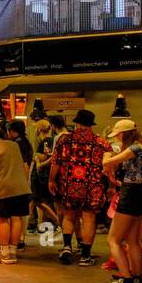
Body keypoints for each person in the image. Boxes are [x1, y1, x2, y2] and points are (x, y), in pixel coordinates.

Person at [50, 109, 111, 266]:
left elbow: (55, 162)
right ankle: (85, 256)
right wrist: (110, 185)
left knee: (69, 215)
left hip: (68, 183)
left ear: (76, 123)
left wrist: (51, 180)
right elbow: (109, 166)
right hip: (93, 186)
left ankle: (67, 247)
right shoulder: (102, 143)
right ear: (91, 124)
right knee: (89, 218)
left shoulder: (64, 140)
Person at [102, 119, 142, 283]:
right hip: (139, 194)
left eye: (117, 135)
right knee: (133, 240)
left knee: (113, 240)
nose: (116, 139)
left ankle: (126, 279)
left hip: (130, 196)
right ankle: (136, 276)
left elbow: (107, 162)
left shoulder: (135, 148)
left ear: (124, 134)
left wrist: (106, 156)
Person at [0, 121, 32, 264]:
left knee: (2, 219)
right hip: (21, 186)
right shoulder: (13, 145)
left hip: (4, 187)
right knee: (16, 217)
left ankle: (5, 252)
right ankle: (13, 251)